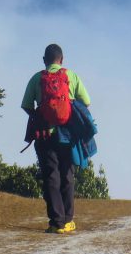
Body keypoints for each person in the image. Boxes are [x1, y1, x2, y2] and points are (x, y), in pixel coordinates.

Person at [21, 43, 92, 234]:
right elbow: (86, 101)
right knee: (67, 175)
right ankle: (68, 221)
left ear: (44, 60)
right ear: (62, 60)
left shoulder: (37, 78)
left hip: (44, 134)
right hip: (67, 134)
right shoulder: (71, 76)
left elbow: (26, 105)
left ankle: (56, 222)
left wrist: (39, 114)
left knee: (50, 175)